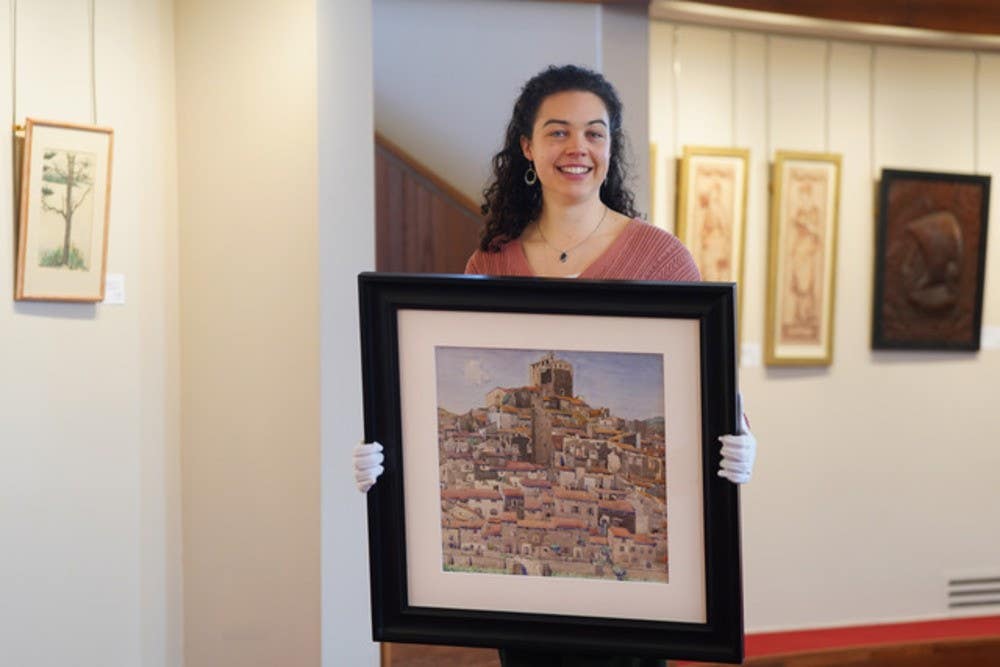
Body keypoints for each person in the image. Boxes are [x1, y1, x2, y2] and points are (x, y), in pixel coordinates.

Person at [353, 65, 756, 667]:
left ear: (611, 147)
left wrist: (743, 444)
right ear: (527, 146)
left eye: (595, 134)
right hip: (527, 604)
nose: (578, 149)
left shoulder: (662, 259)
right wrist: (397, 456)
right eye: (558, 132)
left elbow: (713, 391)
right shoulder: (491, 263)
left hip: (638, 616)